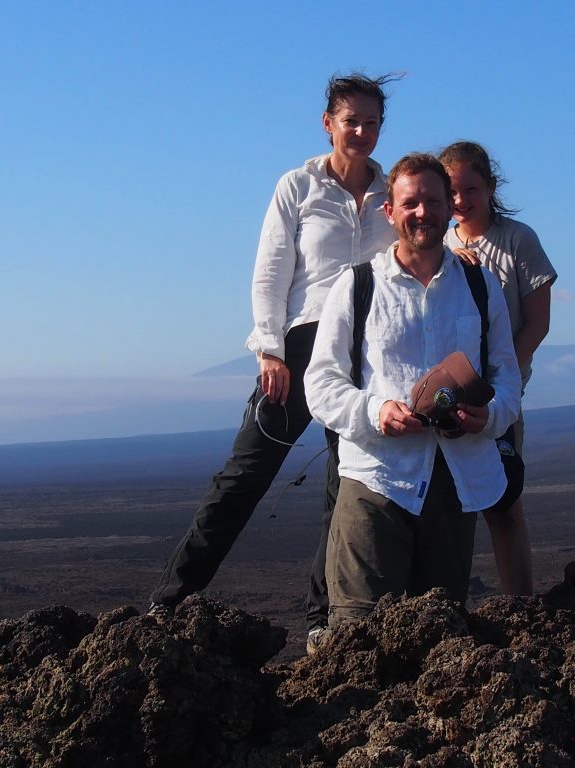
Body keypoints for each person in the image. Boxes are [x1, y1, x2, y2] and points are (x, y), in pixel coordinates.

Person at [149, 73, 398, 652]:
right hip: (301, 349)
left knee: (348, 485)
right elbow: (270, 273)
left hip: (367, 355)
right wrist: (270, 349)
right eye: (350, 120)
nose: (361, 131)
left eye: (372, 122)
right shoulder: (298, 186)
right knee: (244, 478)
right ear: (327, 122)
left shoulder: (391, 191)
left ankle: (322, 619)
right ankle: (169, 605)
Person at [304, 153, 522, 627]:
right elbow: (320, 383)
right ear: (390, 211)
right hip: (375, 481)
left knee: (439, 641)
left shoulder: (480, 287)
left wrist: (492, 417)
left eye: (433, 201)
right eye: (410, 203)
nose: (422, 212)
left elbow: (507, 377)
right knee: (358, 639)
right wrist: (375, 410)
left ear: (448, 208)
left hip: (453, 484)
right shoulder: (357, 286)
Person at [438, 141, 558, 596]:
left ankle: (520, 605)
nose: (460, 200)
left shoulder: (516, 240)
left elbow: (538, 322)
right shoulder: (441, 244)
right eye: (450, 191)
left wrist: (501, 381)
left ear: (490, 187)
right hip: (449, 395)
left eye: (470, 188)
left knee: (504, 503)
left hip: (500, 398)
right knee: (448, 504)